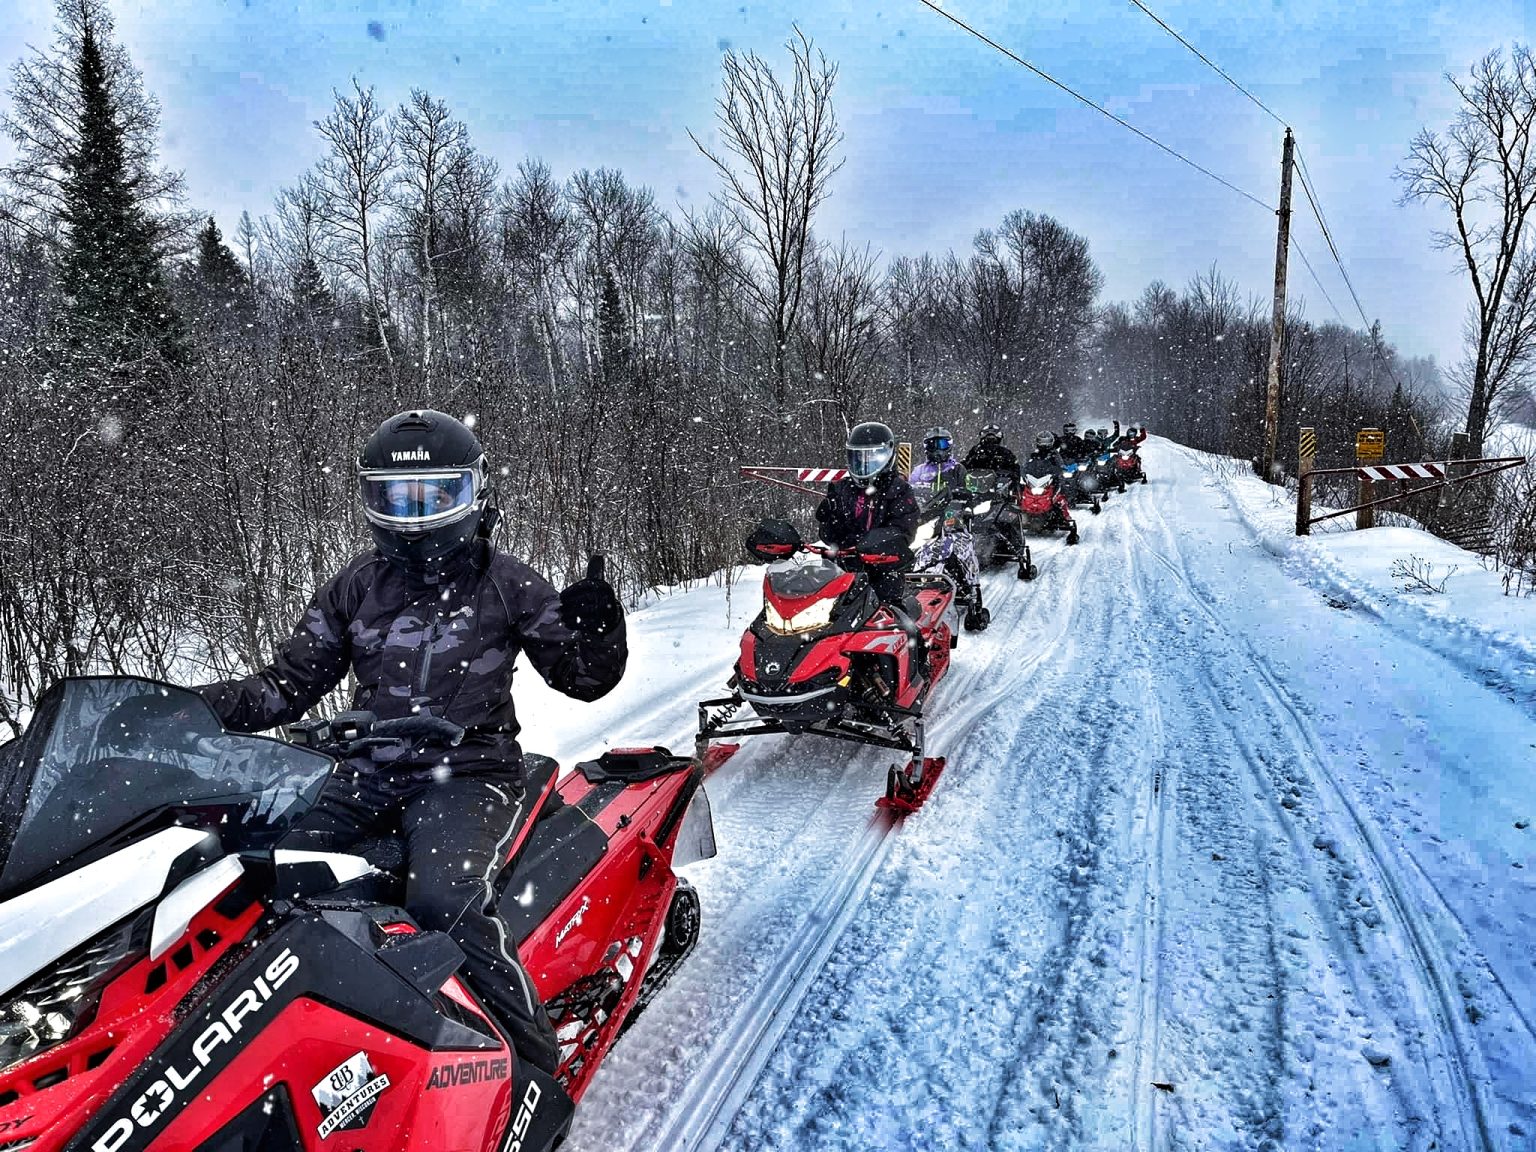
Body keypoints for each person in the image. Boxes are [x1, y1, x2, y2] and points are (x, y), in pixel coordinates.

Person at [196, 409, 627, 1077]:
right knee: (251, 868)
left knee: (442, 901)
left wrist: (600, 634)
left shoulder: (506, 581)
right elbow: (282, 686)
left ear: (474, 494)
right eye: (398, 498)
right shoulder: (357, 585)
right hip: (364, 769)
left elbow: (582, 679)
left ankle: (533, 1066)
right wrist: (189, 709)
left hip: (471, 769)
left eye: (437, 495)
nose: (417, 515)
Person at [814, 421, 931, 669]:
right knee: (815, 620)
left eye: (873, 457)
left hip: (882, 570)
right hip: (841, 569)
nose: (864, 465)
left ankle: (918, 662)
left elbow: (903, 530)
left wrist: (874, 545)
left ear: (888, 455)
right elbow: (830, 533)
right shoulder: (842, 488)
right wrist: (828, 519)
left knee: (897, 619)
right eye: (858, 458)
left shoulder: (898, 490)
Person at [909, 426, 968, 500]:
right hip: (926, 509)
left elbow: (966, 492)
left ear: (949, 445)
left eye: (942, 444)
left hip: (951, 509)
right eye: (932, 445)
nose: (938, 449)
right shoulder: (919, 471)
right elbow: (911, 493)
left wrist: (953, 494)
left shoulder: (957, 469)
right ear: (927, 447)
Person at [962, 423, 1022, 488]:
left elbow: (1015, 471)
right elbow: (965, 466)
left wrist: (1012, 479)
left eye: (993, 438)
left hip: (1000, 489)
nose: (991, 441)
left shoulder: (1005, 453)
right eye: (988, 438)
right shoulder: (976, 451)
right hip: (976, 488)